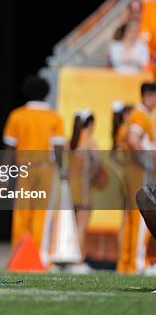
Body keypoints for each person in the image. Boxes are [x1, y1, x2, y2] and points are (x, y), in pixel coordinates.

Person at [3, 75, 65, 265]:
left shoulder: (17, 115)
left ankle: (19, 256)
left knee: (22, 214)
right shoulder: (54, 117)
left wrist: (3, 176)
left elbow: (9, 149)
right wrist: (62, 171)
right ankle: (39, 258)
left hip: (24, 170)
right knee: (42, 214)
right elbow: (58, 148)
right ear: (46, 93)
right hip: (45, 169)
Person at [117, 82, 156, 274]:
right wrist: (148, 162)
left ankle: (128, 263)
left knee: (132, 219)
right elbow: (133, 139)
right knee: (142, 218)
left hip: (133, 174)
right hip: (140, 174)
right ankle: (139, 263)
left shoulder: (137, 115)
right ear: (149, 95)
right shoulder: (141, 115)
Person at [67, 109, 101, 267]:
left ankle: (69, 258)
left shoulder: (70, 142)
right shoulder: (90, 143)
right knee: (81, 228)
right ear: (90, 124)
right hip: (85, 191)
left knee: (72, 227)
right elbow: (96, 167)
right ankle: (78, 261)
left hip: (70, 190)